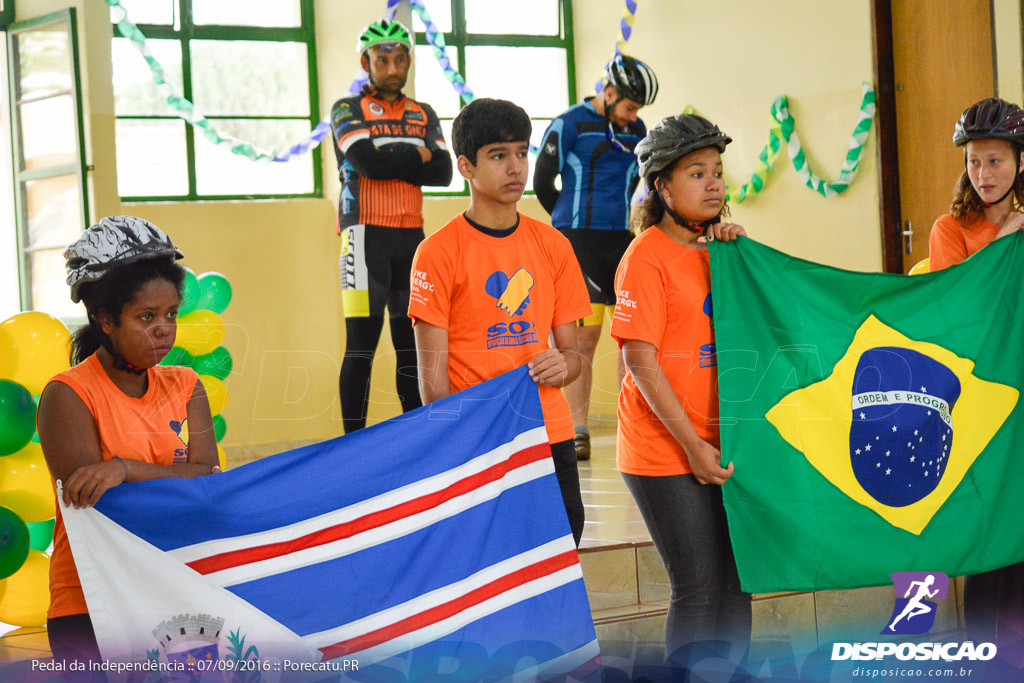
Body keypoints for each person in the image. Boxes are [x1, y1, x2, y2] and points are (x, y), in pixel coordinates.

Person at [408, 98, 592, 546]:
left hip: (549, 434)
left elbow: (574, 357)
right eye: (498, 155)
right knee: (490, 561)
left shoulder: (554, 245)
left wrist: (562, 366)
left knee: (564, 545)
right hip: (477, 442)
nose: (516, 168)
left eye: (522, 153)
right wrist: (460, 447)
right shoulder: (436, 253)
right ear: (466, 167)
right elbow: (433, 386)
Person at [37, 216, 220, 665]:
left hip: (176, 590)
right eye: (146, 317)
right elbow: (98, 510)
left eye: (171, 314)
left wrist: (123, 469)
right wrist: (175, 480)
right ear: (104, 318)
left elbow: (208, 483)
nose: (164, 328)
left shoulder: (186, 385)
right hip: (92, 601)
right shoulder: (68, 395)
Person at [611, 114, 751, 661]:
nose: (714, 183)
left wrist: (743, 256)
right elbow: (638, 359)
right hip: (663, 450)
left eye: (717, 171)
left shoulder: (721, 251)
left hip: (724, 440)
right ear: (661, 187)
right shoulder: (645, 257)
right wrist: (692, 446)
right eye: (697, 173)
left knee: (739, 585)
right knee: (698, 589)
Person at [927, 96, 1024, 644]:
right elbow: (953, 315)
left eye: (996, 161)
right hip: (978, 406)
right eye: (974, 162)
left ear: (1020, 162)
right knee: (988, 536)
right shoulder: (950, 230)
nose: (983, 174)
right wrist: (1006, 242)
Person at [330, 19, 453, 433]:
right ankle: (353, 444)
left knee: (411, 347)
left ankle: (416, 436)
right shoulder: (347, 109)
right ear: (366, 61)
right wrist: (416, 156)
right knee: (361, 346)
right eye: (383, 58)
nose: (394, 66)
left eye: (401, 58)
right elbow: (368, 163)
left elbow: (444, 173)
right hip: (362, 236)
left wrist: (395, 160)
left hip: (411, 239)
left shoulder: (424, 113)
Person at [533, 54, 658, 461]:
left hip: (620, 240)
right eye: (629, 106)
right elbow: (542, 180)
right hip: (576, 242)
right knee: (583, 339)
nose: (632, 115)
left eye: (637, 109)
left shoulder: (636, 129)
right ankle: (577, 429)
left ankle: (630, 422)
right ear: (608, 93)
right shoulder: (569, 122)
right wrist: (564, 225)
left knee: (630, 337)